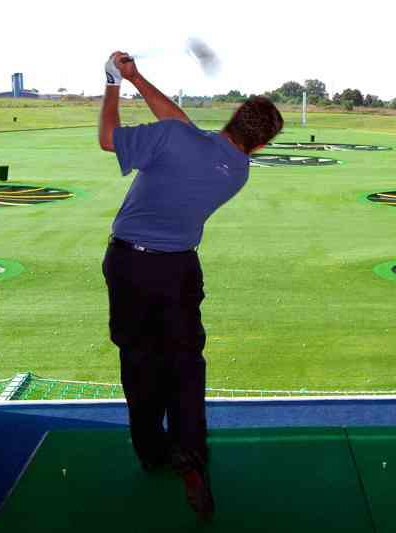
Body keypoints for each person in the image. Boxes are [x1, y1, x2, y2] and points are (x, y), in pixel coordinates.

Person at [98, 51, 283, 518]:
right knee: (184, 365)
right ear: (259, 144)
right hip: (180, 270)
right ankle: (191, 457)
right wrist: (138, 77)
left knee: (139, 360)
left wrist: (114, 84)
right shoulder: (236, 171)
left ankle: (153, 452)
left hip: (131, 265)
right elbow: (182, 128)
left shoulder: (176, 138)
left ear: (234, 115)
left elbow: (107, 139)